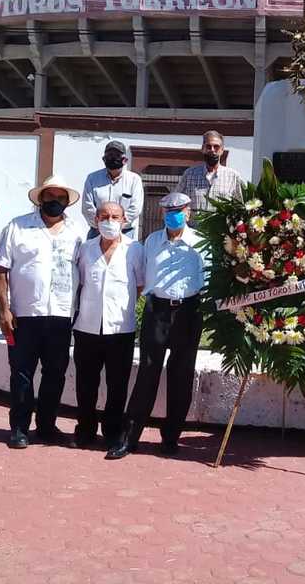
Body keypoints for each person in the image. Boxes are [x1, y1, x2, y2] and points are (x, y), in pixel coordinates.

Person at [108, 193, 205, 459]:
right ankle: (129, 438)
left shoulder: (200, 243)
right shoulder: (151, 241)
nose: (173, 213)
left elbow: (207, 280)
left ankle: (171, 438)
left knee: (181, 375)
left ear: (189, 212)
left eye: (179, 209)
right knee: (147, 374)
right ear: (162, 213)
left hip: (188, 311)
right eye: (168, 210)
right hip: (157, 311)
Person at [0, 175, 87, 449]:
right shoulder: (17, 227)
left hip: (61, 315)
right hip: (24, 315)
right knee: (21, 373)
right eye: (50, 197)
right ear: (40, 199)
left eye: (60, 198)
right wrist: (4, 309)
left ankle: (46, 426)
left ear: (67, 202)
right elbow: (0, 269)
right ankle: (19, 428)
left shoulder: (77, 231)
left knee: (55, 373)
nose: (54, 202)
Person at [71, 201, 144, 451]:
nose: (109, 221)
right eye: (104, 216)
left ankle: (112, 431)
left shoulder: (135, 249)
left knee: (117, 384)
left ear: (124, 221)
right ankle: (85, 429)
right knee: (86, 383)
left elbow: (140, 285)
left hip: (120, 329)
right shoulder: (85, 249)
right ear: (96, 220)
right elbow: (79, 283)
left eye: (115, 217)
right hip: (87, 327)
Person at [81, 139, 144, 240]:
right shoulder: (92, 178)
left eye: (117, 155)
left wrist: (115, 227)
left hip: (124, 232)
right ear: (104, 159)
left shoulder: (134, 180)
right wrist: (103, 227)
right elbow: (87, 207)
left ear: (125, 160)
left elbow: (135, 209)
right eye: (109, 155)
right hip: (97, 232)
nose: (113, 158)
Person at [174, 130, 243, 220]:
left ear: (222, 150)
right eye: (208, 146)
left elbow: (241, 206)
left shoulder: (233, 177)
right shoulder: (189, 174)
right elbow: (175, 202)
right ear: (203, 149)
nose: (212, 150)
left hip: (221, 232)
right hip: (193, 232)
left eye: (216, 147)